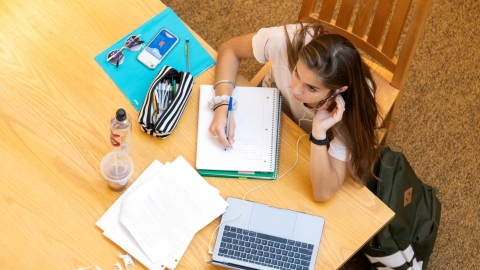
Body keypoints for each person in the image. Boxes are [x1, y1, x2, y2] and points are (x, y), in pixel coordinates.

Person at [209, 21, 381, 201]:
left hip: (311, 145)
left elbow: (323, 193)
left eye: (312, 88)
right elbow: (229, 49)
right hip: (270, 105)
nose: (296, 90)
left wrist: (319, 133)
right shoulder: (286, 41)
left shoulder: (352, 109)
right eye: (297, 73)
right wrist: (222, 104)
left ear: (339, 90)